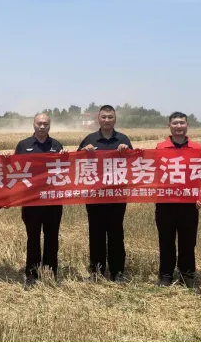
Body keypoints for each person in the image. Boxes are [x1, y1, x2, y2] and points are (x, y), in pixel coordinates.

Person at [77, 105, 133, 283]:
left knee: (116, 233)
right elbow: (75, 163)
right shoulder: (89, 139)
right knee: (96, 233)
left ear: (115, 119)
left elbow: (135, 165)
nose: (107, 120)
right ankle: (96, 272)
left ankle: (118, 272)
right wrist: (84, 152)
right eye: (104, 117)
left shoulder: (123, 139)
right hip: (94, 196)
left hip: (117, 195)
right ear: (98, 118)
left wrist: (127, 152)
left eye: (110, 117)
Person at [14, 113, 67, 288]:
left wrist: (65, 157)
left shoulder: (57, 145)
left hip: (52, 201)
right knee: (33, 238)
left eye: (45, 124)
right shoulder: (23, 145)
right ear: (34, 124)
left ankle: (51, 273)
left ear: (50, 126)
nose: (42, 126)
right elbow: (14, 168)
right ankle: (31, 274)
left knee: (52, 238)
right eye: (39, 123)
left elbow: (65, 171)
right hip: (31, 201)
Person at [155, 112, 201, 295]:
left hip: (189, 203)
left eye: (181, 123)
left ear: (187, 125)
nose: (178, 126)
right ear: (169, 125)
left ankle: (187, 276)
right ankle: (166, 275)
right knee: (166, 240)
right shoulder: (159, 148)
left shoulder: (197, 148)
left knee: (188, 241)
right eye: (175, 123)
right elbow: (152, 173)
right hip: (165, 202)